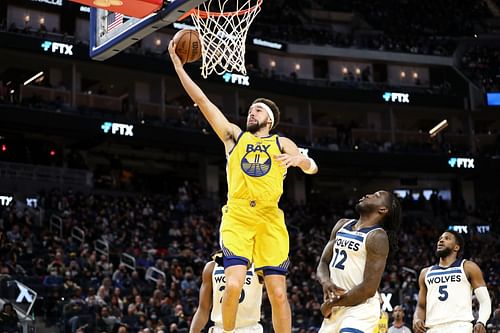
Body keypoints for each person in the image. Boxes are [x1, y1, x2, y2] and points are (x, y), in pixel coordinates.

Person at [168, 40, 318, 333]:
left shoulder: (281, 142)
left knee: (277, 293)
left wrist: (301, 160)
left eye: (258, 110)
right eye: (250, 109)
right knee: (233, 283)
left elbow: (312, 168)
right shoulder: (234, 138)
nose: (252, 112)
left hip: (269, 219)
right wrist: (177, 66)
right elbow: (202, 101)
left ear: (270, 120)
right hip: (238, 216)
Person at [316, 190, 401, 333]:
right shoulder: (342, 224)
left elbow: (368, 289)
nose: (368, 195)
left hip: (361, 308)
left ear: (383, 209)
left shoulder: (377, 236)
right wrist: (325, 281)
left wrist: (330, 304)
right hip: (336, 309)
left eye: (377, 195)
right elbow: (323, 262)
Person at [413, 230, 491, 333]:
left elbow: (485, 300)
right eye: (440, 239)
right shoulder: (425, 272)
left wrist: (481, 322)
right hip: (432, 328)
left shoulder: (468, 267)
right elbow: (421, 306)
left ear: (456, 247)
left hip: (460, 327)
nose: (441, 241)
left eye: (447, 238)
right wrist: (417, 319)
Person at [190, 251, 263, 333]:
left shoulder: (259, 265)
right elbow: (203, 309)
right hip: (220, 328)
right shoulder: (212, 267)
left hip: (250, 328)